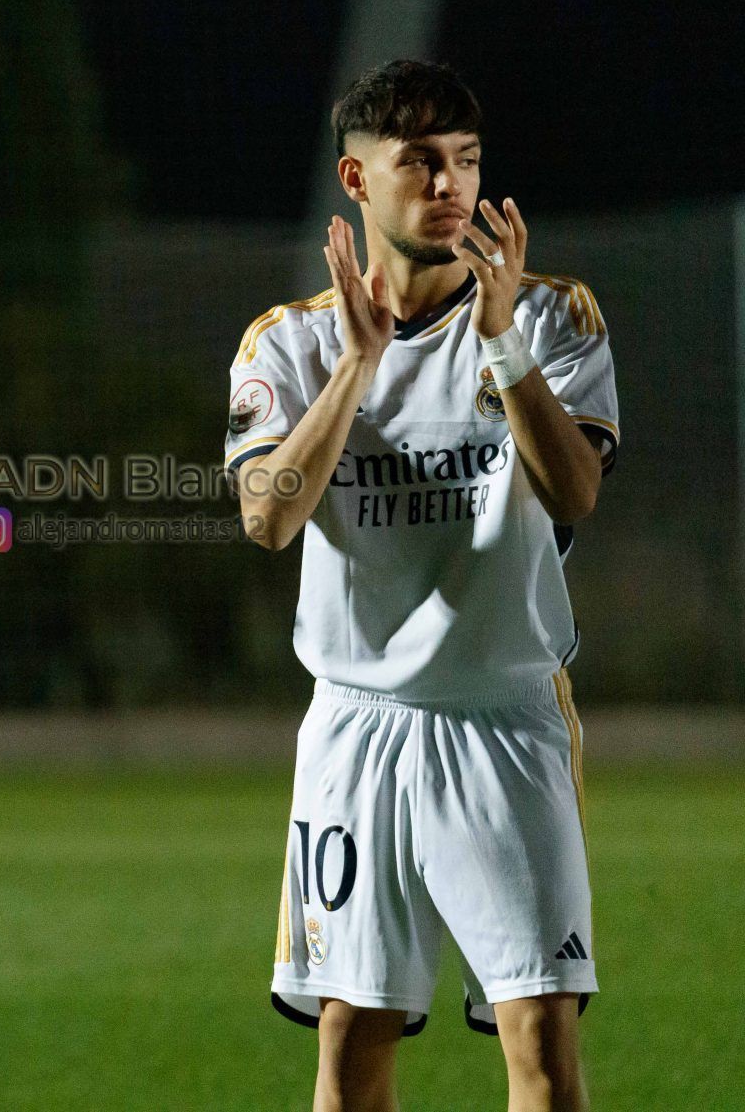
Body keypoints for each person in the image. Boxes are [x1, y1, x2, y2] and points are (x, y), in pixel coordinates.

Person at [225, 60, 617, 1112]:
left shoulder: (549, 315)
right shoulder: (290, 341)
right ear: (356, 180)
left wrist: (500, 344)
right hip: (356, 730)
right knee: (350, 1042)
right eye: (420, 163)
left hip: (506, 720)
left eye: (465, 161)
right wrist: (354, 368)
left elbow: (573, 491)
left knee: (540, 1041)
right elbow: (267, 517)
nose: (450, 185)